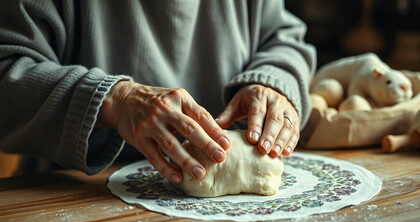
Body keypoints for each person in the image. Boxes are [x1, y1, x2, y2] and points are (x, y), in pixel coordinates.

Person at [0, 0, 316, 183]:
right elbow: (7, 69)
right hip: (74, 193)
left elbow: (283, 36)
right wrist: (113, 100)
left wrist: (273, 80)